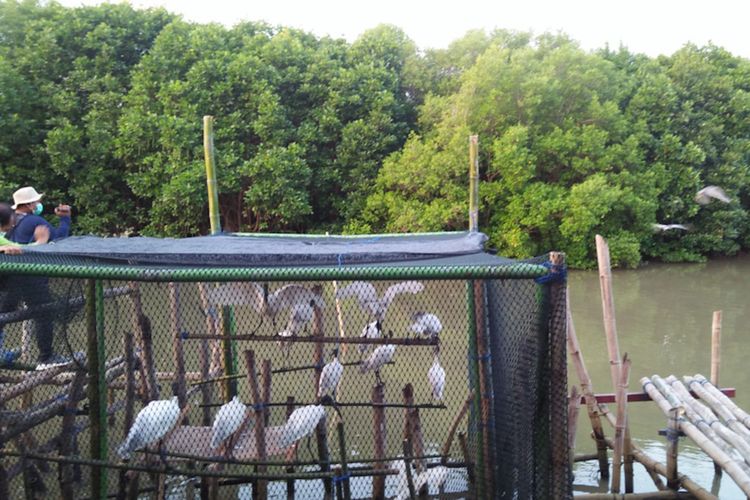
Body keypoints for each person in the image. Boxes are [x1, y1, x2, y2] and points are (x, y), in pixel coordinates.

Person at [1, 188, 73, 368]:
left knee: (3, 314)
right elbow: (58, 241)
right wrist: (65, 220)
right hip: (32, 278)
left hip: (10, 280)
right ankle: (46, 357)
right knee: (44, 312)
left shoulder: (9, 226)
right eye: (36, 201)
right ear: (31, 204)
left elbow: (16, 246)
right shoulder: (35, 221)